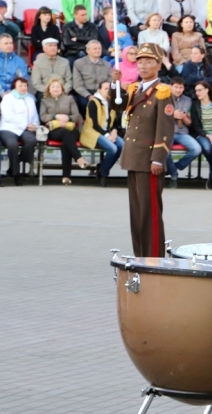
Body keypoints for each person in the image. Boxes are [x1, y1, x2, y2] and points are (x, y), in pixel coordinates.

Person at [120, 43, 175, 256]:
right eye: (140, 62)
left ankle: (153, 256)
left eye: (148, 62)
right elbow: (117, 105)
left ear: (158, 65)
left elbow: (165, 128)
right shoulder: (135, 89)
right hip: (133, 157)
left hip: (148, 159)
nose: (143, 66)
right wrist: (116, 83)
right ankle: (140, 254)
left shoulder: (162, 92)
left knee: (149, 211)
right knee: (136, 211)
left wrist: (158, 158)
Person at [39, 76, 91, 185]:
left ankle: (66, 177)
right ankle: (79, 159)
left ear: (62, 89)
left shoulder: (69, 99)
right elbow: (43, 117)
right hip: (55, 130)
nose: (55, 89)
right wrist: (55, 116)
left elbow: (77, 116)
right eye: (53, 87)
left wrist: (69, 118)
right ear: (49, 89)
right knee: (65, 135)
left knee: (66, 142)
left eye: (58, 87)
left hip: (71, 128)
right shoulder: (44, 101)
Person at [80, 79, 123, 187]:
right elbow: (94, 124)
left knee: (122, 145)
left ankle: (102, 166)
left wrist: (113, 132)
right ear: (99, 90)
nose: (108, 91)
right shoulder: (93, 102)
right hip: (93, 132)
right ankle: (104, 174)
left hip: (107, 132)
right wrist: (108, 136)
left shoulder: (111, 103)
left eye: (109, 89)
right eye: (105, 89)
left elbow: (114, 123)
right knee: (113, 148)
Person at [0, 77, 39, 185]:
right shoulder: (8, 98)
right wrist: (25, 125)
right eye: (20, 85)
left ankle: (14, 165)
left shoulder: (30, 99)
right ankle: (16, 174)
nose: (23, 88)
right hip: (8, 127)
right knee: (12, 145)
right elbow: (8, 116)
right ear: (14, 87)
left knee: (32, 141)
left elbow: (34, 116)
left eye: (25, 86)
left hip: (26, 128)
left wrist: (34, 125)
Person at [162, 77, 198, 185]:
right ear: (171, 87)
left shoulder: (188, 100)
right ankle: (174, 174)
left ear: (183, 88)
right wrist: (173, 115)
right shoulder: (163, 98)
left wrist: (184, 118)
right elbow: (158, 117)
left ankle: (175, 167)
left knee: (196, 149)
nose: (178, 90)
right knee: (165, 151)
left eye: (180, 87)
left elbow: (190, 123)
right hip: (167, 131)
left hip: (182, 132)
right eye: (176, 87)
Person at [190, 80, 212, 188]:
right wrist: (208, 136)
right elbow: (196, 126)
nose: (197, 93)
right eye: (196, 91)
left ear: (206, 90)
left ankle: (211, 176)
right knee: (207, 148)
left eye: (200, 90)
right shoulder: (195, 105)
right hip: (203, 134)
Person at [72, 39, 112, 111]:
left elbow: (109, 81)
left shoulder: (107, 64)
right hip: (85, 92)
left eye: (99, 48)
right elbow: (77, 85)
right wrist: (88, 95)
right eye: (95, 49)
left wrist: (103, 92)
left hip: (101, 91)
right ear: (88, 50)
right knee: (85, 104)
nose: (97, 50)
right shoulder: (78, 63)